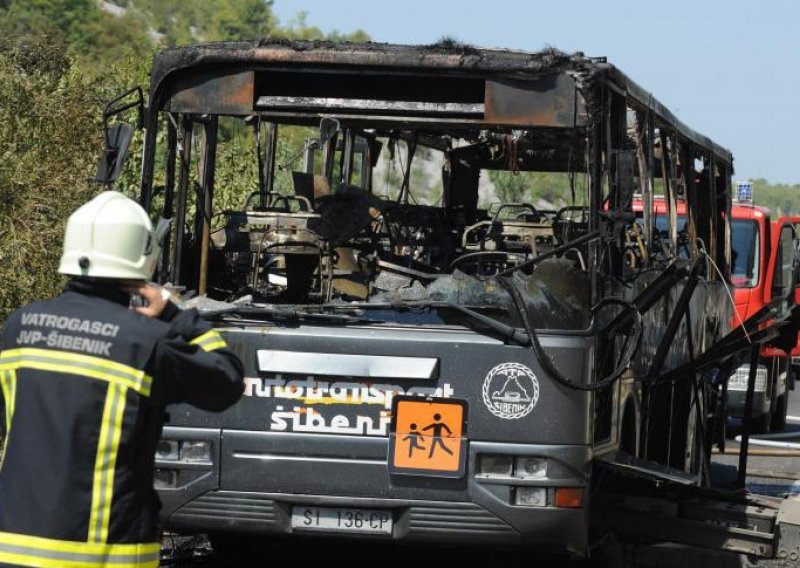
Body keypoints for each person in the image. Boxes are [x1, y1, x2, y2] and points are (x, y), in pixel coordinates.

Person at [0, 192, 244, 568]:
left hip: (12, 546)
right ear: (143, 257)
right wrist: (179, 317)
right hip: (103, 553)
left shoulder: (17, 327)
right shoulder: (145, 341)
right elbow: (226, 381)